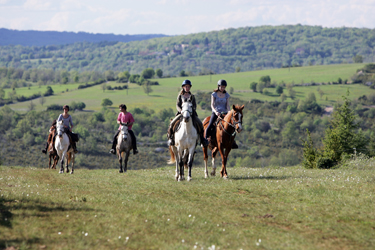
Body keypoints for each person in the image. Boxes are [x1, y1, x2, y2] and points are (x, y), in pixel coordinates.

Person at [167, 79, 208, 147]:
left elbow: (194, 105)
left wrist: (191, 110)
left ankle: (202, 140)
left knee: (200, 124)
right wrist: (181, 111)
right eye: (186, 86)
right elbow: (177, 105)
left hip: (191, 114)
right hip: (181, 113)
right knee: (172, 123)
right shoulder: (180, 96)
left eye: (188, 87)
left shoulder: (192, 96)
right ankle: (171, 138)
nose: (187, 88)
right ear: (183, 87)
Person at [204, 79, 238, 148]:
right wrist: (216, 112)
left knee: (232, 125)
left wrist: (229, 112)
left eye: (224, 87)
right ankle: (205, 140)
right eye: (221, 87)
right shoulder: (214, 94)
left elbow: (228, 105)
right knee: (210, 125)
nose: (222, 88)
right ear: (218, 86)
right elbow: (212, 105)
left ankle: (232, 141)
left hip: (224, 113)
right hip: (216, 112)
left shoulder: (226, 95)